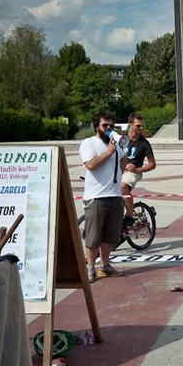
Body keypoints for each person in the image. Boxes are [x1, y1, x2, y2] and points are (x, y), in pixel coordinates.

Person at [79, 112, 131, 282]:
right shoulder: (89, 143)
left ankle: (106, 266)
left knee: (109, 236)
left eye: (111, 125)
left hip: (114, 195)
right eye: (105, 126)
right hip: (96, 197)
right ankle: (91, 269)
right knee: (93, 237)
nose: (109, 128)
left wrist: (122, 152)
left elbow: (123, 166)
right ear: (97, 127)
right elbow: (91, 165)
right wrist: (109, 152)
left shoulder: (115, 145)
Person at [120, 113, 157, 225]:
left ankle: (130, 216)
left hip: (134, 172)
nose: (141, 128)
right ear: (131, 124)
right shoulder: (122, 139)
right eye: (138, 126)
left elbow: (152, 164)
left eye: (142, 126)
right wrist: (124, 165)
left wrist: (138, 170)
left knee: (123, 185)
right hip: (120, 168)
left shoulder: (144, 143)